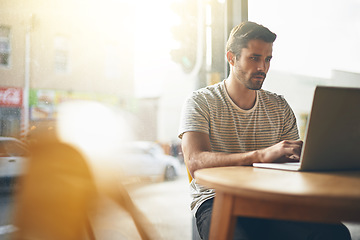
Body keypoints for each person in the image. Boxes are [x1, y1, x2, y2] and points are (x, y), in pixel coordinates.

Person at [178, 21, 351, 240]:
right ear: (231, 58)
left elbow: (293, 163)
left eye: (267, 59)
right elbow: (195, 161)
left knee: (335, 233)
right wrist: (259, 156)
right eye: (254, 58)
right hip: (216, 200)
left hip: (272, 199)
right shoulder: (200, 102)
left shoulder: (279, 106)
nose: (262, 67)